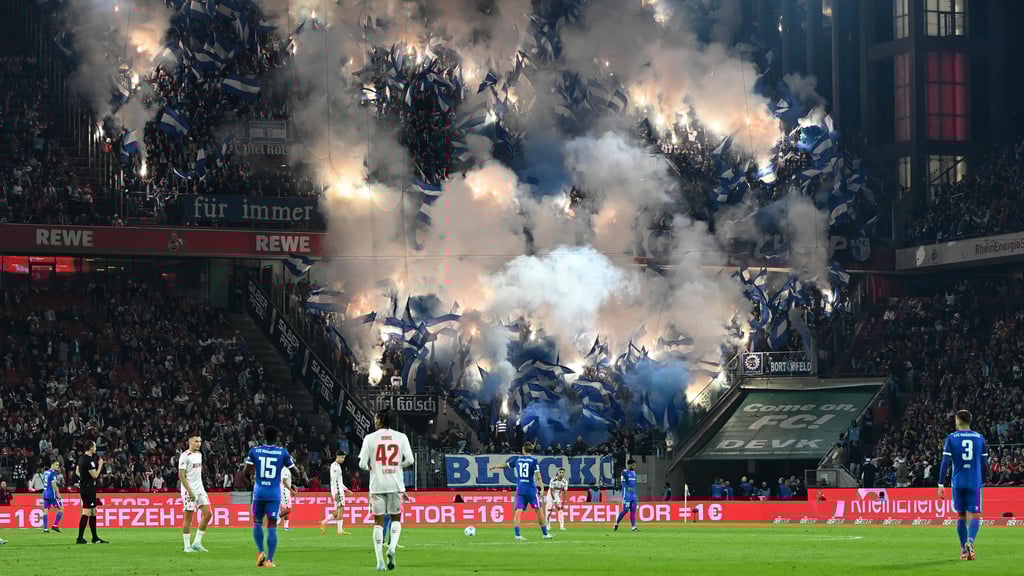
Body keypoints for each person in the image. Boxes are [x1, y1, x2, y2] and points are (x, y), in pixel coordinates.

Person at [359, 407, 415, 571]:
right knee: (396, 519)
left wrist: (372, 467)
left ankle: (380, 562)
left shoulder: (370, 438)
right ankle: (392, 547)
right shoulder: (401, 437)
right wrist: (397, 465)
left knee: (378, 522)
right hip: (395, 484)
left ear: (380, 420)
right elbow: (410, 460)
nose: (374, 421)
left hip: (377, 485)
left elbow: (362, 463)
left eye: (376, 418)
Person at [244, 426, 299, 568]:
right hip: (274, 493)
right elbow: (296, 472)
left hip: (258, 492)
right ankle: (269, 560)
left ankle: (261, 551)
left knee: (257, 522)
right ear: (277, 438)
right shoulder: (282, 452)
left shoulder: (254, 451)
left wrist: (253, 478)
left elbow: (245, 472)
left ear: (264, 437)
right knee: (272, 525)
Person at [938, 409, 989, 561]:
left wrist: (941, 483)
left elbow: (945, 462)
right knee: (976, 516)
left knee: (961, 515)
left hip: (958, 482)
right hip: (974, 482)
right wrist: (983, 480)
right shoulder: (980, 438)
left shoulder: (951, 438)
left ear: (958, 420)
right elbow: (985, 464)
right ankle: (971, 542)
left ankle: (963, 550)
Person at [489, 442, 551, 541]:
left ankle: (517, 535)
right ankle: (545, 534)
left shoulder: (518, 460)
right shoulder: (534, 461)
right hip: (530, 489)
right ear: (531, 450)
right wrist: (542, 487)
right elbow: (538, 476)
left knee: (519, 511)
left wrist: (495, 466)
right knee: (538, 509)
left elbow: (505, 465)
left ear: (523, 450)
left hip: (520, 488)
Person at [178, 434, 212, 553]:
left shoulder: (199, 455)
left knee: (208, 514)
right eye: (196, 441)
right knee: (189, 518)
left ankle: (197, 542)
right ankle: (187, 546)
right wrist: (189, 491)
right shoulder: (184, 456)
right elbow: (181, 475)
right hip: (189, 490)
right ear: (190, 442)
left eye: (200, 441)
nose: (199, 443)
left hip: (200, 489)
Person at [76, 440, 108, 544]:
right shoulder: (89, 461)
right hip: (88, 488)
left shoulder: (81, 458)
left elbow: (77, 471)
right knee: (87, 512)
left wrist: (83, 477)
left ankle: (95, 538)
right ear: (90, 448)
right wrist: (100, 465)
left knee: (93, 512)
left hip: (86, 487)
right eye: (94, 446)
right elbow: (95, 475)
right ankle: (79, 538)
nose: (95, 448)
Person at [321, 450, 353, 536]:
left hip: (340, 490)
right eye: (342, 457)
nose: (343, 459)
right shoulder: (334, 466)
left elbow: (339, 481)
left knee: (339, 510)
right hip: (338, 491)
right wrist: (335, 493)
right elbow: (334, 481)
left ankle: (324, 522)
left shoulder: (337, 466)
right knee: (341, 510)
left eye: (344, 458)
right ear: (337, 456)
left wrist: (346, 489)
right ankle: (339, 530)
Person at [613, 459, 639, 532]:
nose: (634, 466)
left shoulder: (634, 473)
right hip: (626, 494)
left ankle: (633, 527)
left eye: (635, 465)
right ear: (629, 464)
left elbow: (633, 484)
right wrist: (628, 488)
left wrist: (634, 493)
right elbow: (623, 483)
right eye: (633, 465)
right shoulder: (624, 472)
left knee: (633, 510)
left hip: (633, 495)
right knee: (625, 510)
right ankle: (616, 523)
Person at [41, 461, 64, 533]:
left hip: (45, 493)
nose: (57, 466)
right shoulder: (53, 473)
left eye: (58, 465)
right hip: (52, 495)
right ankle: (55, 525)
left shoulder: (46, 472)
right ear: (52, 464)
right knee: (61, 509)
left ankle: (45, 529)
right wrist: (58, 493)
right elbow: (54, 484)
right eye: (56, 465)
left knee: (46, 510)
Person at [279, 464, 298, 531]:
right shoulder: (286, 470)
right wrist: (291, 490)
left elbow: (283, 481)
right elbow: (284, 482)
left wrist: (292, 485)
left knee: (286, 508)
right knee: (288, 509)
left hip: (283, 489)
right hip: (285, 490)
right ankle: (275, 519)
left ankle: (286, 527)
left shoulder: (283, 469)